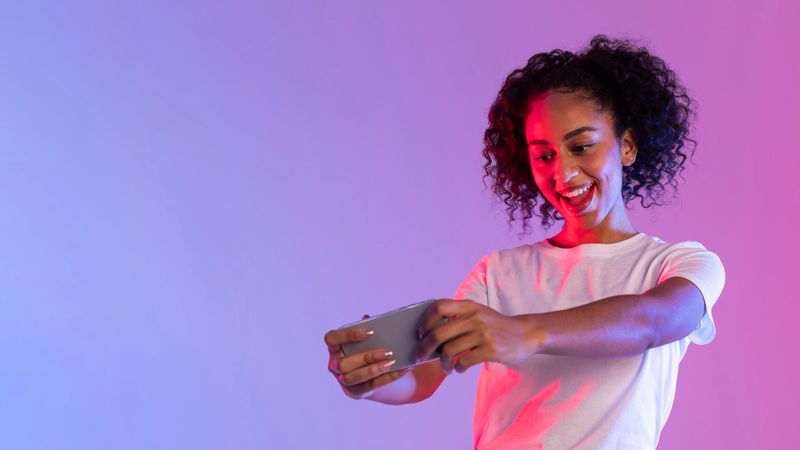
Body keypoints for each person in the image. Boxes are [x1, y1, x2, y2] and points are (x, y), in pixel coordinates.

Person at [323, 34, 726, 449]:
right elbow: (422, 379)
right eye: (544, 155)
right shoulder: (497, 273)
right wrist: (369, 380)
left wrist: (525, 333)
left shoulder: (681, 265)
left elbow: (652, 322)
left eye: (581, 146)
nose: (563, 173)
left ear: (626, 145)